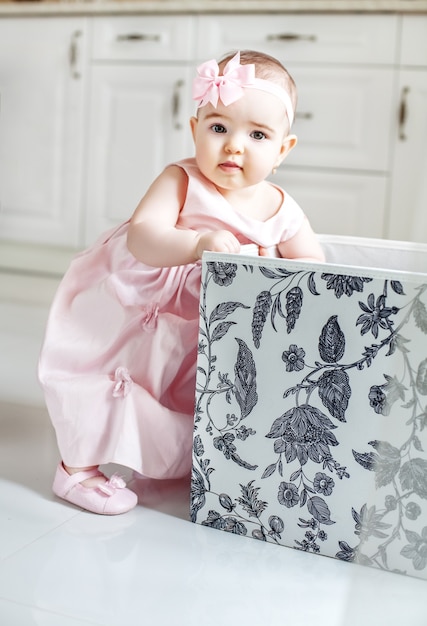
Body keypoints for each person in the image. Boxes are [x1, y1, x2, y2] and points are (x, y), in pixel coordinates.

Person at [38, 50, 325, 515]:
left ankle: (180, 461)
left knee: (194, 397)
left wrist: (279, 272)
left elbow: (313, 265)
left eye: (257, 135)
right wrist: (194, 244)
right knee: (121, 382)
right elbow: (142, 236)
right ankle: (76, 469)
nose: (234, 145)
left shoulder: (282, 208)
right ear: (195, 132)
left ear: (282, 150)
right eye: (218, 128)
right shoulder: (182, 179)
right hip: (146, 314)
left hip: (214, 328)